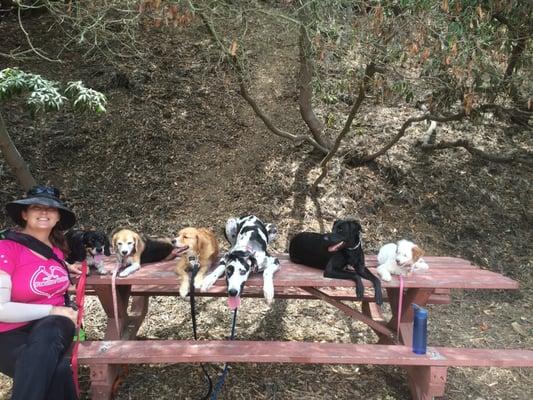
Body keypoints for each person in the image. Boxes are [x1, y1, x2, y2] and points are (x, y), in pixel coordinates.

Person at [0, 185, 82, 400]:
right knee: (58, 371)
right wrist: (52, 309)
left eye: (51, 209)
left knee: (50, 328)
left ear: (57, 218)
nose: (44, 213)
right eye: (36, 207)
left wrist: (66, 266)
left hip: (53, 327)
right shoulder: (5, 250)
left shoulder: (55, 251)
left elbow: (41, 261)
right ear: (25, 214)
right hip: (7, 332)